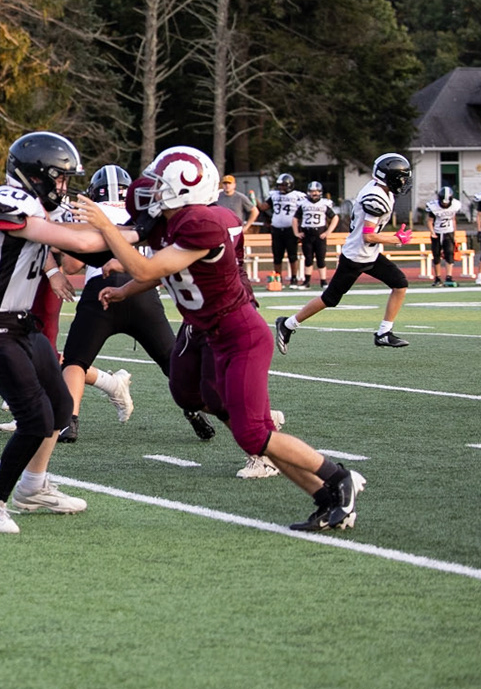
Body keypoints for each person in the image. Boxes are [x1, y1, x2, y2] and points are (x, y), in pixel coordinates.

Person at [82, 148, 368, 532]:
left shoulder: (204, 224)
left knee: (252, 432)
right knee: (203, 401)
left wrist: (107, 228)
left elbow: (149, 265)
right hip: (211, 333)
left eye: (161, 186)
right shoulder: (174, 223)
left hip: (240, 335)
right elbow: (164, 271)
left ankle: (338, 478)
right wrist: (123, 290)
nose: (151, 191)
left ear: (186, 192)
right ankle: (325, 497)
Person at [0, 132, 114, 534]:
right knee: (34, 418)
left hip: (20, 323)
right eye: (58, 178)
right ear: (34, 175)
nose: (62, 187)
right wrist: (131, 232)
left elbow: (87, 250)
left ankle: (33, 487)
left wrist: (139, 232)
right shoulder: (3, 200)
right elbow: (78, 242)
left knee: (61, 409)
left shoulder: (34, 205)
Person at [56, 163, 212, 447]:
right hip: (141, 290)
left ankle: (70, 422)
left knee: (76, 360)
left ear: (94, 191)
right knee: (170, 360)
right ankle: (193, 410)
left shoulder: (89, 211)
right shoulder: (145, 213)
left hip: (100, 290)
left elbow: (72, 264)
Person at [273, 153, 413, 352]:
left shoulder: (381, 190)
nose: (404, 181)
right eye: (401, 177)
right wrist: (397, 239)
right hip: (356, 256)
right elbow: (369, 236)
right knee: (329, 299)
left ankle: (384, 333)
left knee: (400, 283)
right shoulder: (376, 197)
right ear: (389, 176)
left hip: (369, 254)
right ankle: (287, 324)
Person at [263, 173, 306, 288]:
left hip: (290, 229)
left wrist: (301, 227)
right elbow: (263, 207)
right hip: (276, 229)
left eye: (283, 185)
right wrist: (254, 200)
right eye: (280, 185)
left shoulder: (297, 196)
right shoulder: (274, 195)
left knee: (292, 255)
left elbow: (305, 208)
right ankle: (278, 279)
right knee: (277, 256)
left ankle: (294, 278)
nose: (281, 188)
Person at [421, 184, 469, 287]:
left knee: (449, 254)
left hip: (448, 232)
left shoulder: (455, 205)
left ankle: (449, 277)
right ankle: (438, 278)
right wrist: (432, 232)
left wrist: (454, 233)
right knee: (436, 255)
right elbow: (429, 221)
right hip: (437, 232)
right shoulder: (433, 207)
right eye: (443, 202)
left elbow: (453, 219)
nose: (445, 205)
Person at [296, 181, 334, 289]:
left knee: (321, 259)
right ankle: (307, 282)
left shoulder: (324, 204)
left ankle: (323, 281)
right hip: (307, 233)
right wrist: (296, 232)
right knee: (308, 258)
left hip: (319, 233)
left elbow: (335, 217)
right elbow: (295, 218)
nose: (314, 193)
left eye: (316, 191)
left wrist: (328, 231)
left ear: (320, 192)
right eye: (312, 191)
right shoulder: (303, 204)